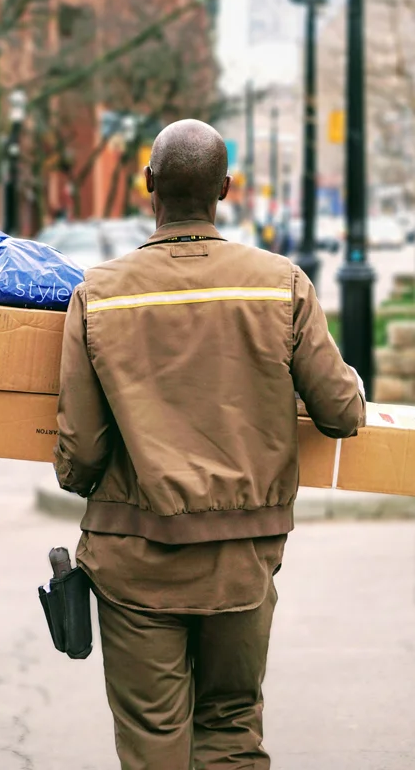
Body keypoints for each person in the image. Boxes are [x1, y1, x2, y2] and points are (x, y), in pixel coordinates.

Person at [53, 119, 365, 770]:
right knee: (229, 733)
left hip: (133, 560)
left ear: (148, 187)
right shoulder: (280, 285)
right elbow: (340, 414)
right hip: (241, 562)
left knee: (153, 742)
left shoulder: (99, 294)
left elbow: (79, 455)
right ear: (225, 187)